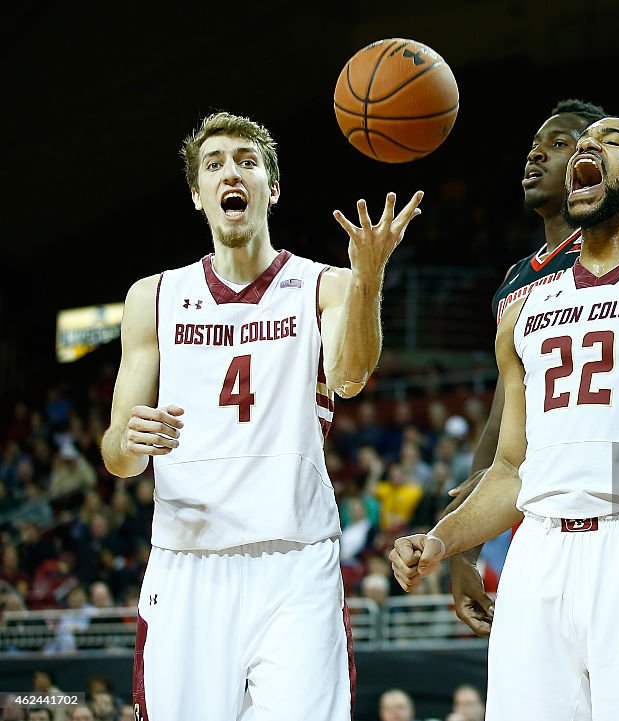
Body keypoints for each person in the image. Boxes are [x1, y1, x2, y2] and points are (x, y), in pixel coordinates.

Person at [391, 116, 619, 720]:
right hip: (537, 555)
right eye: (583, 143)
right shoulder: (521, 311)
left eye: (612, 142)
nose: (589, 147)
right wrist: (442, 539)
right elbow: (513, 469)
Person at [99, 111, 422, 721]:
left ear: (272, 187)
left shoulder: (322, 285)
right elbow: (119, 457)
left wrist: (369, 280)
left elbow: (350, 376)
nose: (231, 172)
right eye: (214, 163)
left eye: (247, 160)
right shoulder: (153, 297)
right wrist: (129, 437)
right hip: (189, 557)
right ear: (198, 196)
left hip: (295, 559)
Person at [445, 99, 619, 636]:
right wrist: (464, 548)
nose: (536, 156)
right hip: (545, 518)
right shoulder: (519, 281)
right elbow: (506, 413)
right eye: (534, 146)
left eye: (558, 144)